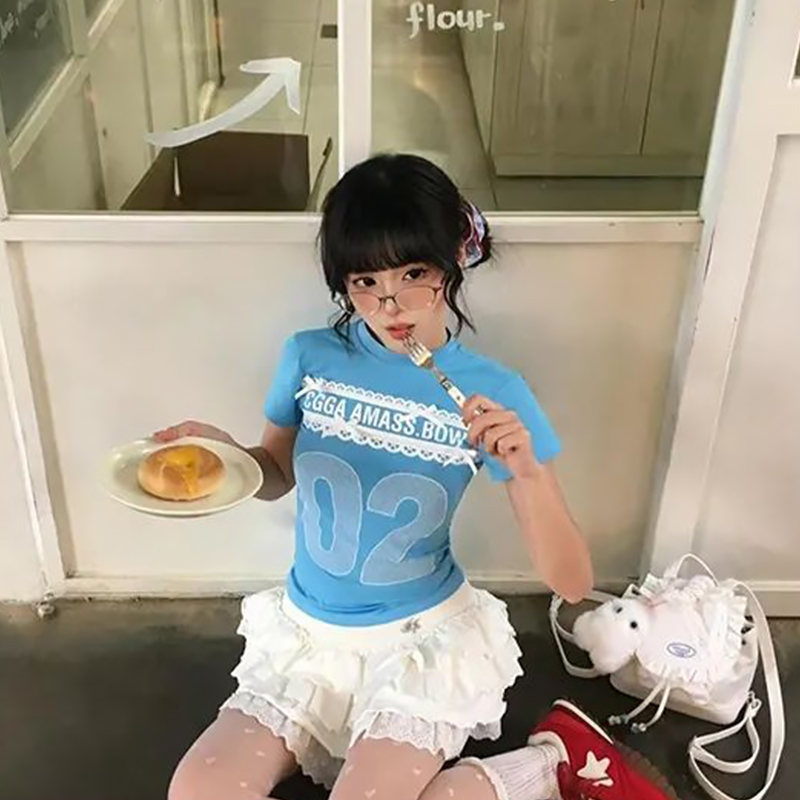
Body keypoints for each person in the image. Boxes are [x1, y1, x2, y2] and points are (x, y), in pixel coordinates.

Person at [162, 154, 673, 800]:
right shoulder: (308, 357)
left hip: (418, 647)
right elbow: (275, 472)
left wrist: (527, 473)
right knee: (195, 793)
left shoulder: (492, 391)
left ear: (453, 258)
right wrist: (224, 458)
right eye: (365, 281)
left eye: (413, 274)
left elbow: (571, 583)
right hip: (305, 642)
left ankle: (548, 762)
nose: (391, 304)